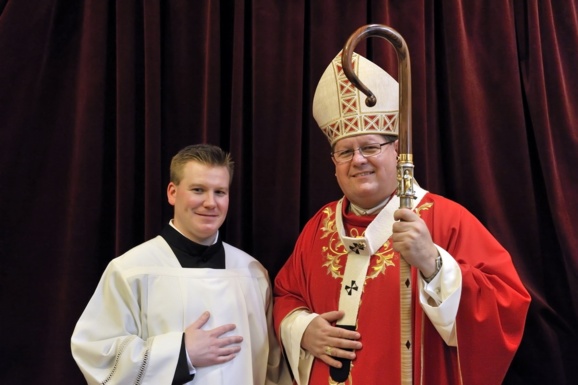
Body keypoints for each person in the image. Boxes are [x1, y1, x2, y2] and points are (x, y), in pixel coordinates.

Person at [273, 51, 531, 385]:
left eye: (370, 147)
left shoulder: (445, 219)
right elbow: (286, 295)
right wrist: (303, 329)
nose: (358, 161)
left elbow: (506, 305)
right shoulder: (318, 228)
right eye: (345, 152)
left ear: (397, 152)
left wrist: (435, 264)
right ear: (333, 162)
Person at [72, 144, 289, 384]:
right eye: (198, 189)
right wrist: (181, 353)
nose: (210, 202)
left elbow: (274, 368)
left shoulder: (252, 273)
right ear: (172, 192)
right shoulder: (131, 270)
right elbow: (97, 355)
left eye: (220, 192)